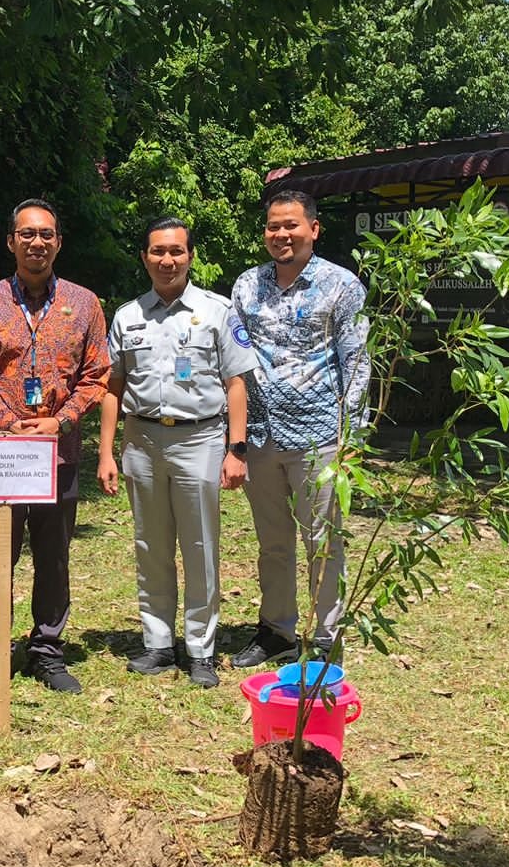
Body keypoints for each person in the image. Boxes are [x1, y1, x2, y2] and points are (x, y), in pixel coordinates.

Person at [97, 218, 257, 687]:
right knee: (150, 545)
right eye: (158, 251)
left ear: (190, 256)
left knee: (200, 545)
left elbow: (236, 383)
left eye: (176, 251)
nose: (167, 260)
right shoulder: (128, 316)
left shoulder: (218, 311)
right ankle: (158, 643)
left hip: (199, 439)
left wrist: (236, 449)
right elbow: (112, 387)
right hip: (142, 440)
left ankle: (200, 649)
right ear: (144, 257)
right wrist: (106, 453)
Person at [0, 198, 108, 694]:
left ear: (58, 243)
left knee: (54, 556)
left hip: (57, 454)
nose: (36, 242)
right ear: (11, 242)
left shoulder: (85, 304)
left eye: (46, 234)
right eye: (27, 234)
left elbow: (97, 375)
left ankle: (47, 651)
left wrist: (59, 422)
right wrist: (9, 421)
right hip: (2, 456)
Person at [229, 188, 370, 668]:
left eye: (291, 225)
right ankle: (276, 630)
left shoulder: (342, 286)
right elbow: (236, 361)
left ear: (313, 228)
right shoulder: (247, 286)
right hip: (262, 435)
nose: (281, 234)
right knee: (272, 541)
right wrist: (236, 435)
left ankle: (326, 637)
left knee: (323, 541)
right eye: (273, 226)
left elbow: (356, 362)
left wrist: (353, 437)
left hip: (321, 436)